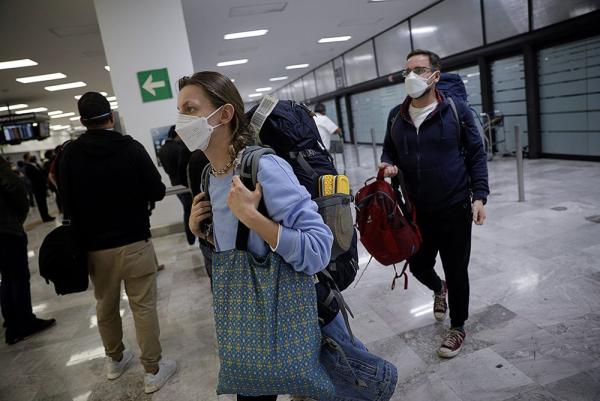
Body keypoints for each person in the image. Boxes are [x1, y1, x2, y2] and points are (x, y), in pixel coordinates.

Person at [179, 71, 333, 401]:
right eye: (180, 111)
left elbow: (318, 248)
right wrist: (201, 233)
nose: (181, 121)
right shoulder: (211, 175)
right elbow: (241, 247)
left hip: (278, 312)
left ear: (224, 114)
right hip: (246, 315)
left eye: (190, 109)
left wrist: (252, 216)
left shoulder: (264, 168)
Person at [59, 92, 176, 393]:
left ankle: (115, 359)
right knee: (143, 307)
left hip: (96, 249)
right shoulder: (131, 148)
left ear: (83, 121)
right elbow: (157, 190)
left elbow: (65, 202)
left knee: (106, 306)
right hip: (135, 241)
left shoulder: (70, 154)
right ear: (110, 117)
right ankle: (152, 370)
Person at [380, 49, 489, 358]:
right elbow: (389, 150)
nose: (411, 77)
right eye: (407, 71)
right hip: (415, 210)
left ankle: (458, 326)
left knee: (457, 270)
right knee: (417, 264)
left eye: (419, 70)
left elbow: (477, 154)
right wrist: (387, 164)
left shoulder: (456, 111)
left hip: (454, 206)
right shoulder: (395, 116)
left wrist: (479, 197)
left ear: (435, 76)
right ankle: (437, 289)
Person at [0, 155, 56, 344]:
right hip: (7, 232)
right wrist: (17, 219)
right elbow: (17, 192)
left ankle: (11, 320)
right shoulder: (2, 170)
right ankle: (24, 323)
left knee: (6, 278)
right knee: (18, 277)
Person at [157, 126, 195, 245]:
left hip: (175, 185)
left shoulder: (162, 149)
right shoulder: (179, 147)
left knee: (187, 210)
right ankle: (191, 238)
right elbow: (183, 167)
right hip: (185, 184)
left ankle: (191, 238)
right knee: (189, 210)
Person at [22, 153, 54, 222]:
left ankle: (47, 215)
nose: (31, 156)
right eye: (30, 156)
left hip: (41, 186)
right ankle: (45, 217)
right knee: (41, 203)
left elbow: (40, 173)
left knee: (44, 202)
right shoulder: (27, 167)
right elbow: (34, 177)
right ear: (27, 158)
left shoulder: (34, 164)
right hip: (36, 188)